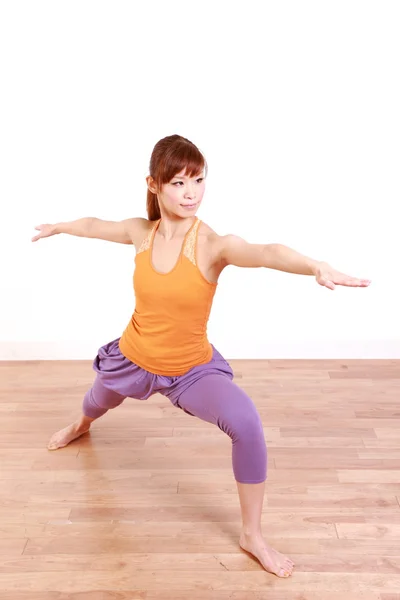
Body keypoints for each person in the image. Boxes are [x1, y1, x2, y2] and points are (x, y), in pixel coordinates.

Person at [31, 134, 371, 579]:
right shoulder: (141, 232)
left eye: (198, 180)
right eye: (178, 183)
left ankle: (252, 535)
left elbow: (266, 253)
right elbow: (96, 225)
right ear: (154, 185)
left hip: (189, 371)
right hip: (133, 356)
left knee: (247, 424)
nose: (191, 193)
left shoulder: (211, 244)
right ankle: (81, 425)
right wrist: (60, 226)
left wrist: (314, 266)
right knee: (97, 402)